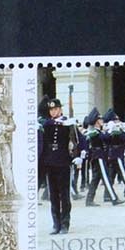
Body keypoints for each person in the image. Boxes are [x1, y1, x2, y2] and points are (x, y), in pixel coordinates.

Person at [37, 97, 79, 236]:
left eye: (55, 109)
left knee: (64, 195)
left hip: (63, 162)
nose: (53, 112)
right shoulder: (47, 124)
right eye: (51, 110)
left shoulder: (68, 123)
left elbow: (78, 139)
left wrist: (78, 154)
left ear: (60, 109)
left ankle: (65, 224)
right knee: (53, 195)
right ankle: (56, 224)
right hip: (50, 162)